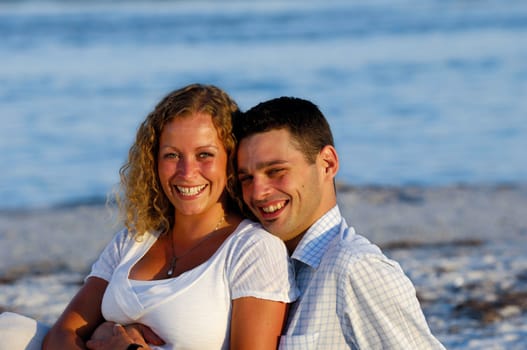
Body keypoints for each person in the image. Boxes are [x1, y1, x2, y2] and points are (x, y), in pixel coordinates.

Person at [0, 84, 297, 350]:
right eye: (172, 155)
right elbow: (62, 335)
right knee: (9, 330)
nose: (186, 172)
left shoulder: (253, 249)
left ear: (231, 160)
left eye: (204, 155)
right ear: (153, 162)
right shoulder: (134, 240)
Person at [232, 96, 446, 349]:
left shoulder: (355, 269)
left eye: (276, 171)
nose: (257, 193)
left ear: (327, 164)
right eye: (246, 178)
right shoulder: (267, 264)